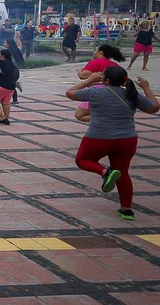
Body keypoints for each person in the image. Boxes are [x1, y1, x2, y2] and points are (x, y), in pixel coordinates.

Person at [65, 67, 159, 220]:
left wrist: (89, 80)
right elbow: (154, 108)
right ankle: (126, 209)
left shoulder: (95, 91)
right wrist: (146, 87)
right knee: (122, 172)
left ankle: (106, 173)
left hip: (98, 137)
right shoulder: (132, 94)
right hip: (127, 140)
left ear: (106, 80)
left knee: (82, 160)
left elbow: (69, 93)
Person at [0, 46, 20, 125]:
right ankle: (6, 118)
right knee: (6, 103)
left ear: (3, 56)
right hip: (12, 87)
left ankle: (3, 118)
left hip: (3, 86)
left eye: (0, 55)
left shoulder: (2, 62)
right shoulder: (12, 64)